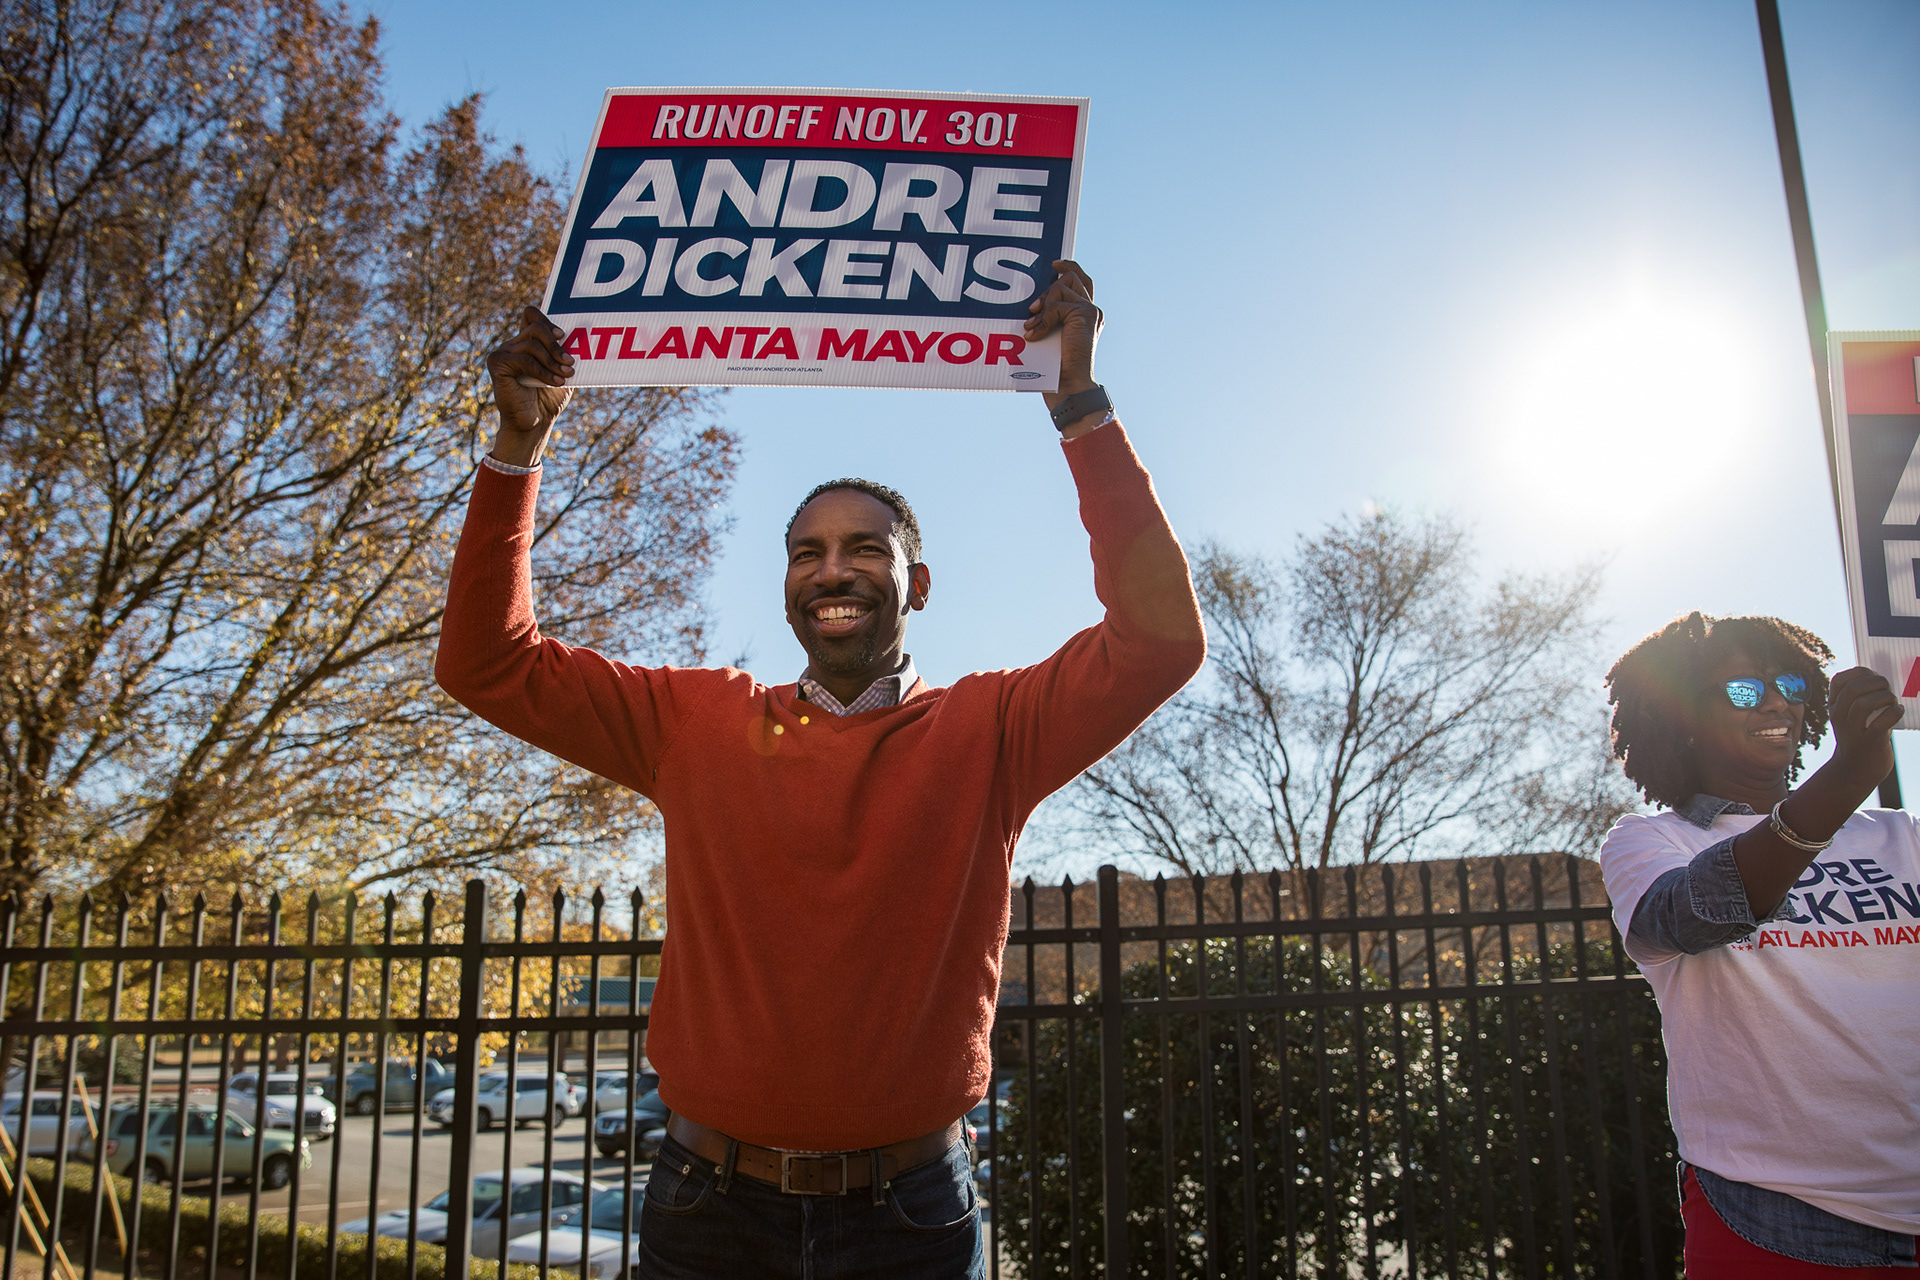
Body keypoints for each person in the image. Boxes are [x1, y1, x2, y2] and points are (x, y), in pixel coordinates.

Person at [435, 260, 1206, 1279]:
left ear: (915, 582)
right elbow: (485, 661)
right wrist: (517, 446)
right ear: (789, 585)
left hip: (912, 1223)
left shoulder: (994, 728)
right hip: (706, 1212)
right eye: (807, 552)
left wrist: (1079, 405)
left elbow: (1158, 639)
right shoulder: (695, 719)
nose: (832, 569)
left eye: (864, 549)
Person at [1600, 612, 1920, 1277]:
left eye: (1789, 685)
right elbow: (1693, 915)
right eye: (1744, 690)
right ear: (1686, 718)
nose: (1774, 700)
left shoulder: (1901, 837)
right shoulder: (1650, 842)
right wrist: (1845, 778)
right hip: (1774, 1215)